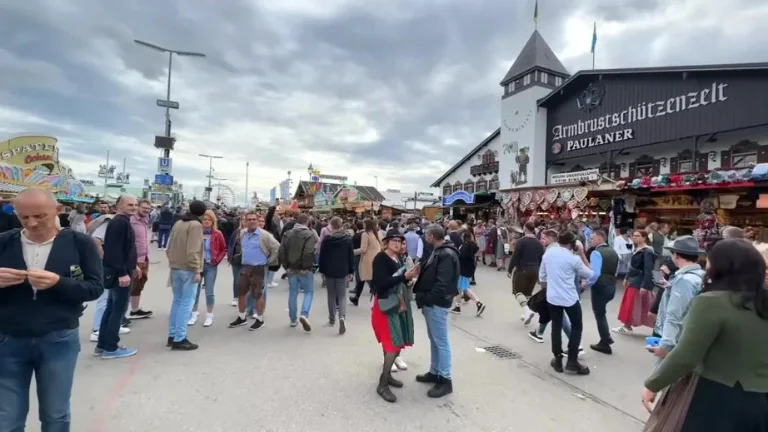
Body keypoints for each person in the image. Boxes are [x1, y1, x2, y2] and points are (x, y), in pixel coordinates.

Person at [0, 188, 103, 431]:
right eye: (24, 217)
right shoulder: (4, 242)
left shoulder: (80, 243)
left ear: (58, 211)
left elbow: (95, 288)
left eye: (40, 216)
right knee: (7, 417)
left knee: (55, 415)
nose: (31, 223)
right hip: (8, 340)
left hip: (58, 339)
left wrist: (59, 283)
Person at [642, 239, 768, 430]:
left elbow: (686, 356)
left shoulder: (711, 303)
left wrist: (653, 384)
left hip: (715, 399)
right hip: (760, 401)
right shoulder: (762, 302)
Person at [370, 229, 419, 402]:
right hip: (386, 305)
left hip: (397, 303)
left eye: (399, 241)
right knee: (392, 344)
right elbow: (380, 283)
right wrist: (402, 277)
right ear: (386, 242)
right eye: (393, 241)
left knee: (394, 343)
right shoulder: (380, 259)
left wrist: (409, 278)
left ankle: (387, 375)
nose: (397, 243)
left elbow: (399, 279)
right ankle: (382, 384)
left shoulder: (397, 258)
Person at [412, 224, 459, 398]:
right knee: (435, 339)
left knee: (441, 341)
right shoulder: (440, 251)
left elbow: (442, 283)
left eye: (426, 235)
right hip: (433, 303)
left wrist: (428, 299)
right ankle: (435, 371)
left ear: (432, 236)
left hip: (437, 303)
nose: (425, 237)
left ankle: (445, 379)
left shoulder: (446, 254)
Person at [538, 231, 593, 375]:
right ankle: (572, 361)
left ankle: (557, 360)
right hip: (569, 298)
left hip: (552, 297)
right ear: (573, 244)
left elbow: (542, 276)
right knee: (576, 327)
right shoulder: (573, 259)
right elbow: (589, 274)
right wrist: (582, 255)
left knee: (556, 327)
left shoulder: (548, 254)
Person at [648, 236, 705, 360]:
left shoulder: (684, 280)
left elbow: (674, 315)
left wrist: (665, 345)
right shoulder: (700, 275)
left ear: (677, 255)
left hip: (677, 338)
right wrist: (670, 286)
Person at [97, 195, 139, 359]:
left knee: (111, 308)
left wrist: (132, 266)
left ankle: (102, 345)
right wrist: (122, 273)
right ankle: (111, 347)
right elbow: (113, 250)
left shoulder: (121, 222)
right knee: (118, 310)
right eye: (130, 204)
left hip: (120, 270)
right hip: (120, 273)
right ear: (119, 206)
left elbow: (124, 248)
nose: (133, 207)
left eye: (135, 204)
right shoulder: (120, 223)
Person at [165, 200, 206, 350]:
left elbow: (169, 247)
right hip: (188, 268)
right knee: (186, 303)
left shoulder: (179, 223)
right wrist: (196, 269)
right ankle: (180, 337)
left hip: (175, 266)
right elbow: (193, 250)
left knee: (177, 301)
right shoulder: (195, 225)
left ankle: (172, 334)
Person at [229, 211, 280, 330]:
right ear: (245, 221)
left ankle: (260, 319)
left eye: (254, 219)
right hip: (245, 267)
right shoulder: (242, 233)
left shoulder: (264, 235)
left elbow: (277, 246)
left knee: (258, 295)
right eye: (249, 219)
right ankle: (241, 317)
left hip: (259, 268)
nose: (252, 221)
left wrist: (269, 260)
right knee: (241, 293)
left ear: (257, 221)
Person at [279, 213, 317, 332]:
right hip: (304, 269)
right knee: (308, 292)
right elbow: (308, 252)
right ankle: (304, 314)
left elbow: (282, 251)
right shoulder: (309, 235)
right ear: (307, 222)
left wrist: (286, 266)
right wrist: (305, 266)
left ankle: (293, 320)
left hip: (291, 268)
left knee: (293, 293)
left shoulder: (287, 234)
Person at [614, 229, 657, 335]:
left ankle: (627, 326)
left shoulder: (647, 251)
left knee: (632, 305)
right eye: (634, 236)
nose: (634, 237)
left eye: (637, 236)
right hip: (633, 279)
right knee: (631, 304)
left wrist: (645, 285)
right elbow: (632, 266)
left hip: (639, 281)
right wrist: (626, 277)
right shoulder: (638, 249)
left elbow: (648, 269)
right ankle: (627, 325)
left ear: (644, 237)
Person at [189, 210, 227, 327]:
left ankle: (209, 315)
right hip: (197, 265)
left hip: (210, 265)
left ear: (213, 221)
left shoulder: (217, 234)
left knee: (209, 292)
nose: (206, 221)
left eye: (209, 219)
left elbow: (223, 249)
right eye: (204, 219)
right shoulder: (196, 233)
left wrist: (216, 260)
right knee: (194, 291)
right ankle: (194, 313)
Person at [585, 230, 619, 355]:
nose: (590, 240)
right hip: (611, 284)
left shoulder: (596, 253)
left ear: (600, 239)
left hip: (600, 285)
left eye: (593, 238)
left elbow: (595, 273)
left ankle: (604, 342)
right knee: (602, 312)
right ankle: (606, 336)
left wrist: (586, 284)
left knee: (600, 314)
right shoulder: (613, 252)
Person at [318, 216, 354, 334]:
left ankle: (332, 318)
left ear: (331, 225)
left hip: (329, 271)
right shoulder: (347, 239)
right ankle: (342, 317)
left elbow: (322, 257)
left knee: (331, 295)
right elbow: (350, 257)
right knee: (342, 296)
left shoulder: (327, 240)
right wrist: (351, 271)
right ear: (341, 225)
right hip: (343, 271)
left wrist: (322, 271)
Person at [507, 221, 544, 324]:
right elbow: (541, 259)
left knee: (517, 291)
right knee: (527, 293)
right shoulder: (539, 243)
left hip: (523, 269)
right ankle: (526, 313)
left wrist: (510, 269)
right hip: (535, 270)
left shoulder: (521, 242)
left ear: (524, 229)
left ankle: (527, 310)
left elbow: (515, 257)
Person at [128, 199, 153, 320]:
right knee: (130, 285)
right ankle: (121, 314)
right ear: (138, 207)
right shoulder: (130, 221)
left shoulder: (145, 220)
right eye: (144, 208)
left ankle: (135, 310)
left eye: (148, 209)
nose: (146, 210)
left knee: (139, 284)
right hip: (135, 258)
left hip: (144, 257)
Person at [454, 230, 486, 316]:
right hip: (469, 268)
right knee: (460, 288)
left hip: (462, 269)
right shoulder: (473, 245)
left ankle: (478, 303)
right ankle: (457, 306)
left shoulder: (464, 245)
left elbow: (461, 256)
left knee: (464, 288)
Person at [351, 219, 381, 306]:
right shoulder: (378, 233)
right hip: (376, 259)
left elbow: (363, 249)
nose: (363, 226)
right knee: (363, 278)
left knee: (369, 280)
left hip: (367, 260)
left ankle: (378, 301)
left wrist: (351, 252)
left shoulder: (365, 234)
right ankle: (356, 298)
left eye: (364, 224)